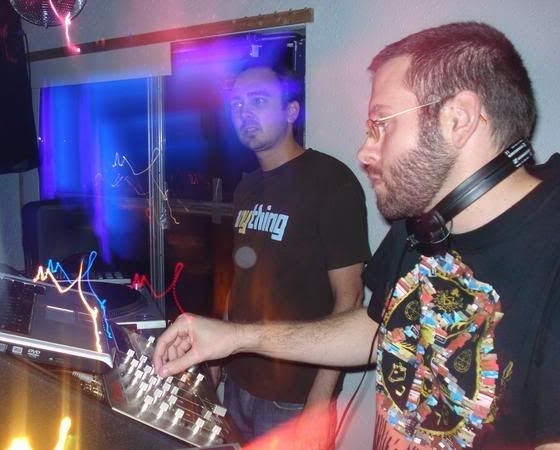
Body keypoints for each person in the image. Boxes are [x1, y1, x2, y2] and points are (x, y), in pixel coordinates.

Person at [154, 22, 560, 449]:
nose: (365, 151)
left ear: (458, 119)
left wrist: (317, 400)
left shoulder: (548, 256)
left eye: (381, 124)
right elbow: (375, 327)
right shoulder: (422, 225)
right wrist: (236, 337)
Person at [211, 64, 370, 449]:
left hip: (293, 395)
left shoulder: (331, 181)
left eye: (258, 101)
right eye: (237, 105)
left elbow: (349, 298)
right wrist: (217, 362)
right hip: (239, 380)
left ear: (291, 111)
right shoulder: (246, 188)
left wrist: (320, 400)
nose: (245, 114)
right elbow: (241, 281)